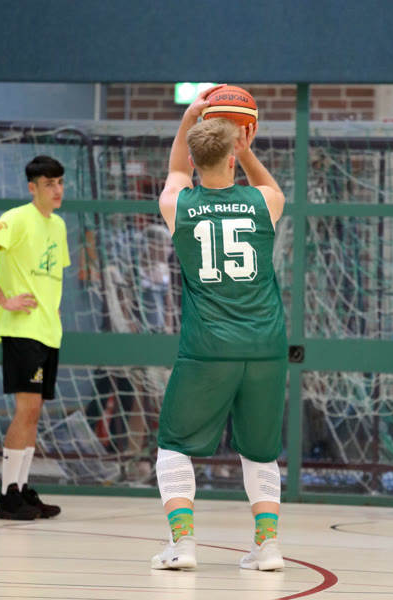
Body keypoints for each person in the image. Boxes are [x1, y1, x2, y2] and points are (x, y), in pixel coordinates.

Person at [151, 86, 288, 571]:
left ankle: (183, 544)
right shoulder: (263, 202)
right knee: (261, 451)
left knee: (173, 445)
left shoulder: (178, 204)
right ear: (233, 157)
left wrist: (189, 117)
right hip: (266, 346)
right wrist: (246, 152)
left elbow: (174, 171)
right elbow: (272, 187)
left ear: (194, 159)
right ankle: (268, 547)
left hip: (208, 347)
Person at [0, 155, 70, 520]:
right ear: (33, 188)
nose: (57, 190)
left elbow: (52, 276)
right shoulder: (16, 218)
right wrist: (3, 300)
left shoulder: (58, 225)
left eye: (60, 182)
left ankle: (22, 487)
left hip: (48, 331)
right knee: (26, 409)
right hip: (22, 330)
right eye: (49, 184)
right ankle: (7, 495)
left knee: (34, 413)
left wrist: (54, 309)